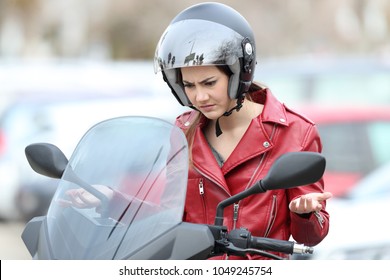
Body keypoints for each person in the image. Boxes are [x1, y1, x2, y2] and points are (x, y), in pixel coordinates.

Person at [153, 2, 332, 260]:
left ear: (239, 72)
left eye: (209, 82)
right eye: (189, 85)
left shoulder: (295, 132)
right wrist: (110, 201)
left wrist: (304, 213)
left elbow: (311, 236)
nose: (199, 96)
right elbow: (166, 217)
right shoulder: (182, 132)